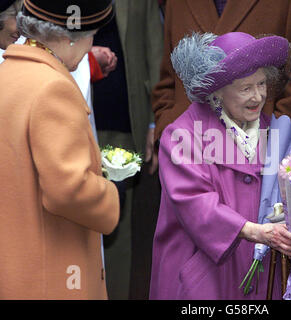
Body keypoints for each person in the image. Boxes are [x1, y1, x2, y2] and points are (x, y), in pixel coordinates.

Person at [149, 32, 291, 300]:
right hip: (203, 277)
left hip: (260, 276)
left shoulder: (272, 130)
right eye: (246, 88)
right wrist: (254, 231)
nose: (258, 97)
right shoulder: (182, 136)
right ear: (217, 91)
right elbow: (194, 202)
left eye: (262, 84)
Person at [0, 0, 120, 299]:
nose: (91, 42)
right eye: (91, 33)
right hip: (56, 274)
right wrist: (108, 192)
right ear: (71, 36)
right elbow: (69, 190)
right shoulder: (53, 87)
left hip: (17, 266)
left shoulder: (8, 73)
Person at [151, 0, 291, 143]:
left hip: (259, 159)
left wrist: (268, 141)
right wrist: (168, 128)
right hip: (187, 150)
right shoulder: (176, 3)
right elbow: (169, 78)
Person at [90, 0, 163, 299]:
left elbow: (155, 49)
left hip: (121, 122)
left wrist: (153, 121)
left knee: (115, 226)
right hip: (65, 119)